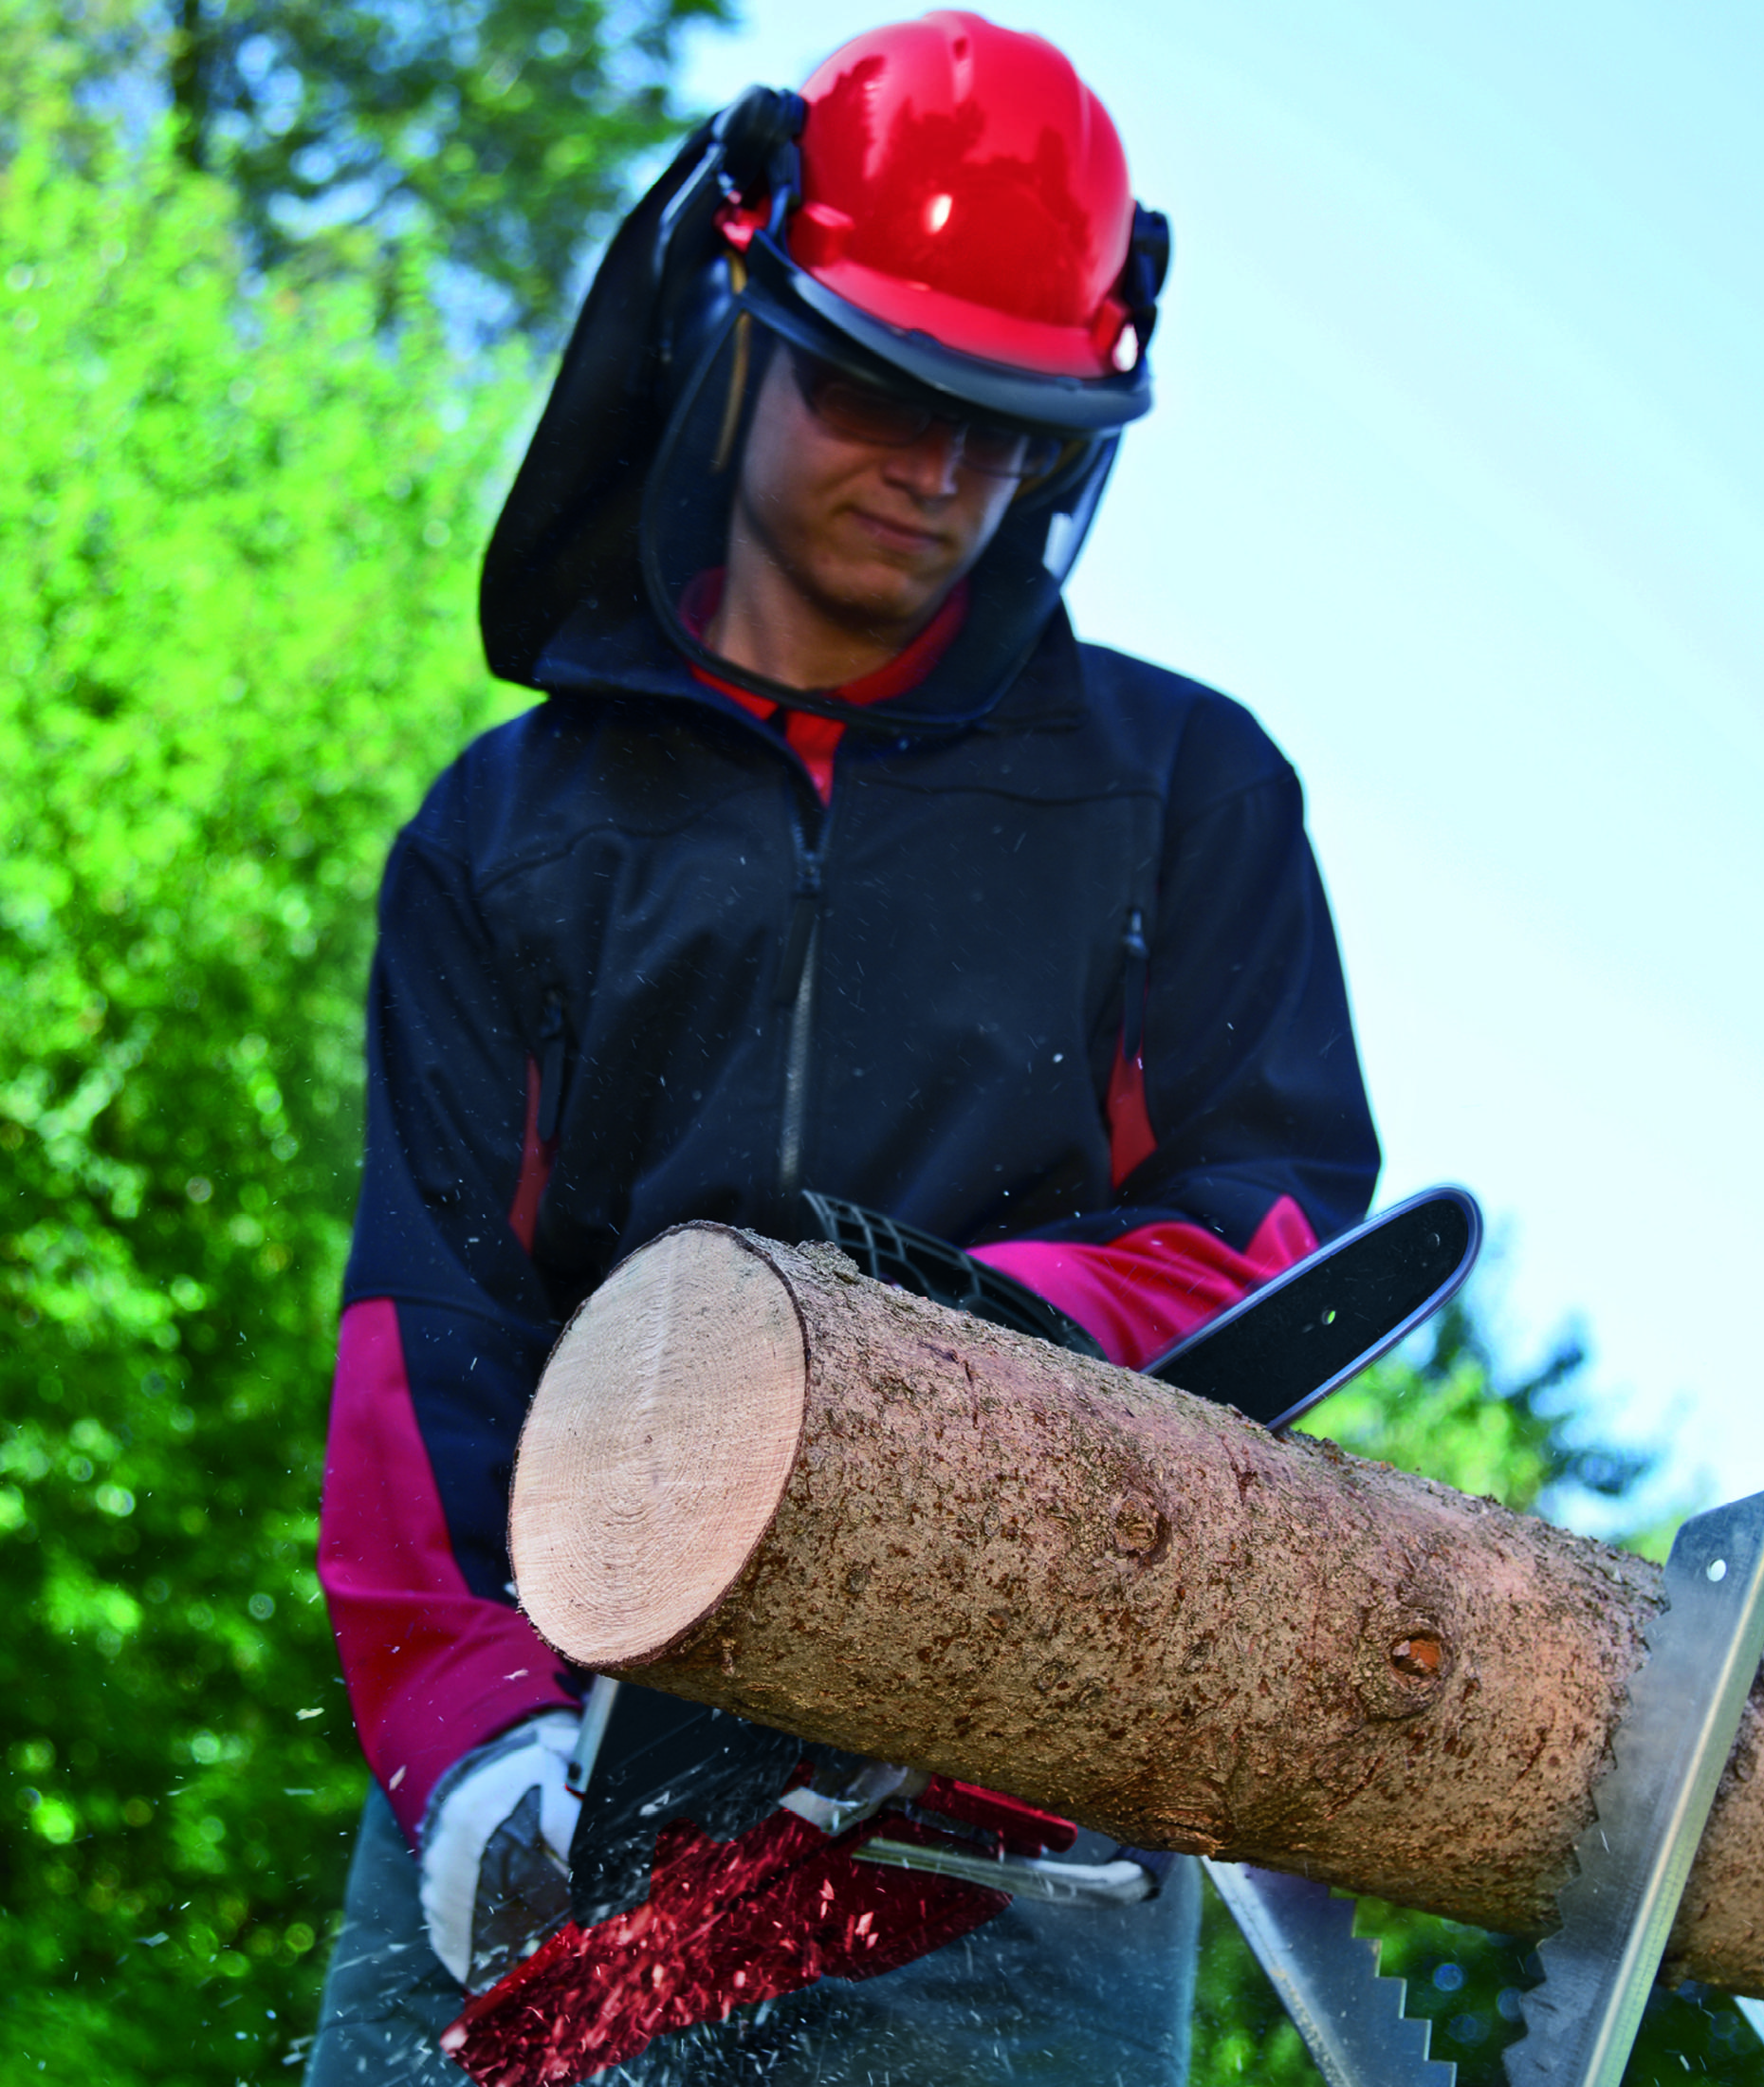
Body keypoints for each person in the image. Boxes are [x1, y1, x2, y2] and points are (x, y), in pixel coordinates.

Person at [304, 12, 1379, 2083]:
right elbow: (422, 1318)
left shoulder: (1179, 791)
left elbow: (1267, 1227)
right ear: (743, 309)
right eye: (885, 394)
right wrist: (468, 1743)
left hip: (1007, 1807)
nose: (945, 473)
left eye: (1007, 423)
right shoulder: (512, 829)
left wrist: (922, 1332)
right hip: (576, 1711)